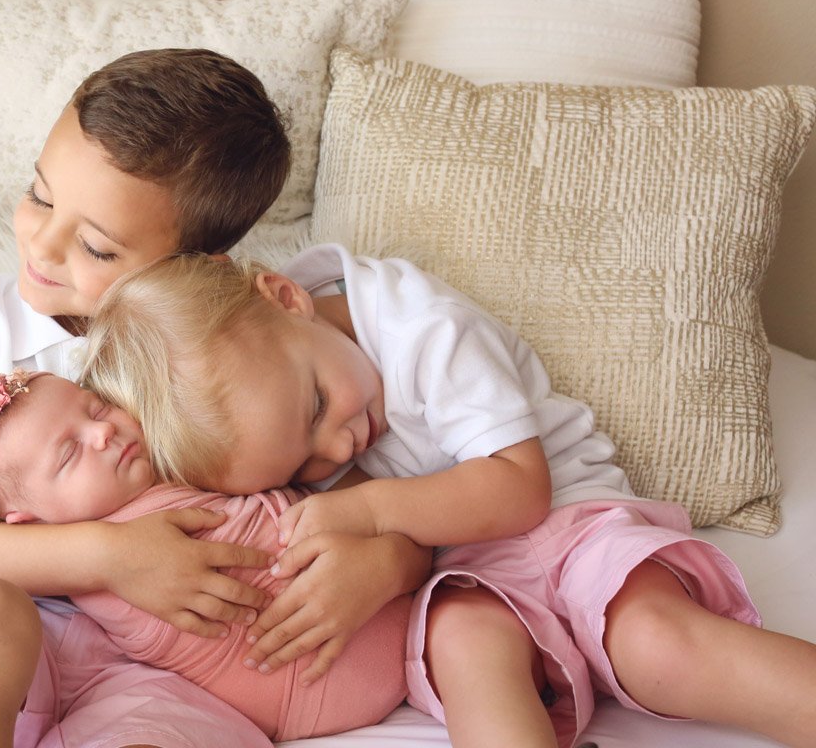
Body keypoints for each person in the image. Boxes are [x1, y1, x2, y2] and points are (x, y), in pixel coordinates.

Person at [82, 244, 816, 748]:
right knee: (465, 645)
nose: (336, 448)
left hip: (570, 524)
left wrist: (361, 511)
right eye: (304, 464)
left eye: (315, 409)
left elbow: (517, 488)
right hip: (468, 571)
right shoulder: (266, 416)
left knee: (654, 640)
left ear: (285, 297)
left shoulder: (418, 325)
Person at [0, 47, 354, 748]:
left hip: (178, 659)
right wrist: (114, 558)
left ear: (193, 270)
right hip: (7, 627)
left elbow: (321, 486)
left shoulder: (219, 344)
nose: (43, 245)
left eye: (94, 245)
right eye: (40, 197)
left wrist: (381, 565)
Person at [0, 367, 416, 741]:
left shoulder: (168, 457)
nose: (102, 433)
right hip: (310, 688)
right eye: (68, 455)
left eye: (97, 409)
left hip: (386, 614)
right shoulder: (94, 567)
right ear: (29, 524)